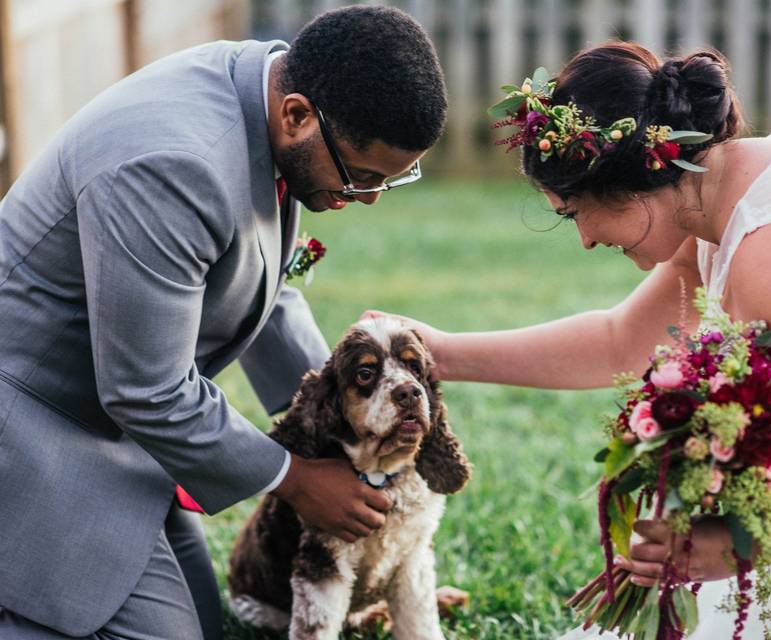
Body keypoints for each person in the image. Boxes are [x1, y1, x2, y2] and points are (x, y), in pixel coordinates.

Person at [368, 43, 771, 638]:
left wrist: (734, 545)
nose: (586, 241)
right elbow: (620, 342)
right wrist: (441, 353)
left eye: (574, 214)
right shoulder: (719, 187)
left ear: (634, 181)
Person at [0, 6, 446, 639]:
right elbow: (145, 389)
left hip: (119, 432)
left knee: (205, 629)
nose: (369, 197)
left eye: (390, 181)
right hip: (36, 429)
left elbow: (259, 292)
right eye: (362, 175)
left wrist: (341, 419)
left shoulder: (260, 90)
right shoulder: (173, 164)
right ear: (297, 116)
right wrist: (295, 477)